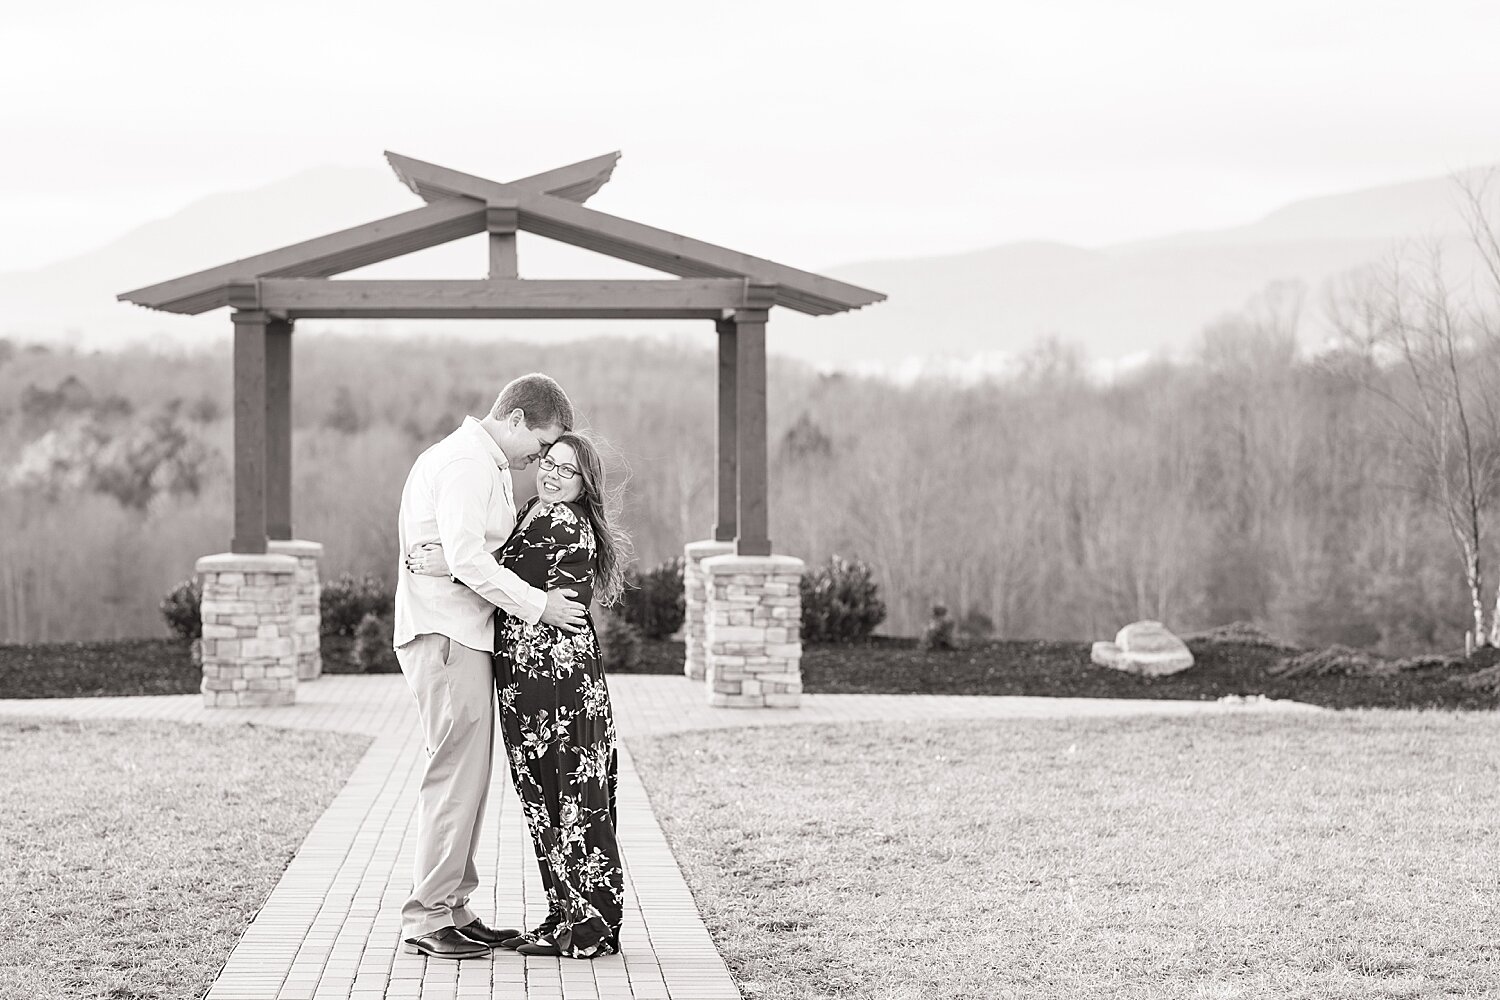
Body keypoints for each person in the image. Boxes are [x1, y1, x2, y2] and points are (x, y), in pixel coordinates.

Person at [407, 430, 629, 959]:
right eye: (548, 461)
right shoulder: (532, 509)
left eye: (566, 469)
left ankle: (592, 924)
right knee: (545, 799)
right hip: (527, 679)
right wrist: (463, 562)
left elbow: (498, 574)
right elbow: (502, 566)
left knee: (572, 797)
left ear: (585, 485)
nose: (551, 472)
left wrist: (451, 564)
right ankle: (564, 915)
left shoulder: (562, 521)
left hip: (558, 681)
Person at [392, 373, 588, 961]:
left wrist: (450, 563)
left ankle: (455, 907)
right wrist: (540, 605)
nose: (540, 459)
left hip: (462, 632)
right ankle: (428, 916)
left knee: (469, 777)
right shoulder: (468, 465)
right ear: (519, 419)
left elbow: (466, 553)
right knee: (455, 775)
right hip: (448, 635)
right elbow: (470, 554)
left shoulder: (485, 465)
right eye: (542, 442)